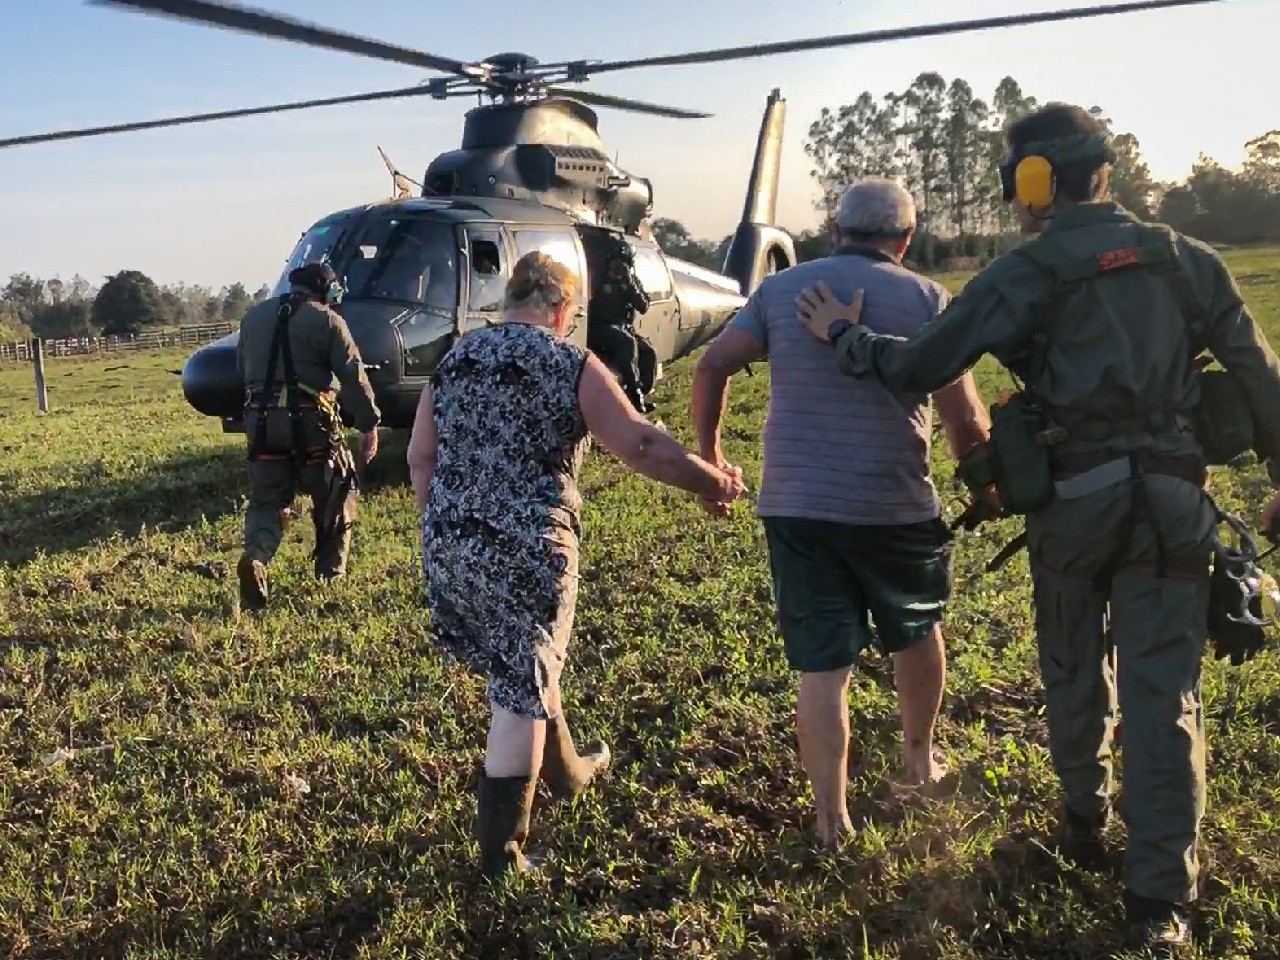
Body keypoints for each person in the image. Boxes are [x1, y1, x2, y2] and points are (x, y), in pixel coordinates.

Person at [794, 103, 1280, 953]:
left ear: (1034, 182)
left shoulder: (1027, 274)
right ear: (1106, 171)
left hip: (1074, 506)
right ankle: (1160, 903)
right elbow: (1259, 378)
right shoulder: (1187, 261)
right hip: (1173, 506)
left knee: (1071, 666)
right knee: (1166, 702)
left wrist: (845, 336)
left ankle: (1084, 821)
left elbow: (918, 365)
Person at [407, 251, 744, 879]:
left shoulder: (453, 361)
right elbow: (640, 444)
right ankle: (502, 858)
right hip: (530, 551)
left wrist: (445, 527)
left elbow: (419, 457)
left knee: (524, 663)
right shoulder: (570, 362)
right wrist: (712, 482)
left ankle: (567, 772)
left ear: (508, 301)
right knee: (518, 692)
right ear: (564, 310)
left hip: (449, 543)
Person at [690, 178, 992, 848]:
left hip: (797, 505)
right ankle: (919, 761)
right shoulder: (928, 299)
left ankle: (831, 820)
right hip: (895, 503)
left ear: (835, 229)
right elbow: (964, 417)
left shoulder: (779, 291)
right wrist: (985, 482)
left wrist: (710, 456)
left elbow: (712, 366)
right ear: (906, 239)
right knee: (916, 631)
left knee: (823, 667)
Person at [235, 261, 380, 611]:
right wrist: (368, 424)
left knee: (268, 501)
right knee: (337, 492)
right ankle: (329, 576)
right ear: (327, 291)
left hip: (262, 423)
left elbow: (243, 370)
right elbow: (353, 375)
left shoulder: (252, 318)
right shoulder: (328, 320)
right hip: (313, 424)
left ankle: (256, 557)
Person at [586, 231, 652, 413]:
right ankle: (633, 394)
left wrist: (628, 283)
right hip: (598, 328)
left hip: (622, 327)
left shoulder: (629, 281)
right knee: (626, 343)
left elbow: (643, 306)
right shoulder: (597, 279)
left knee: (647, 352)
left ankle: (642, 391)